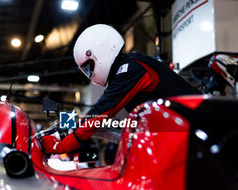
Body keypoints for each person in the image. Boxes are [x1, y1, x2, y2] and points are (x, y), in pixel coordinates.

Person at [42, 24, 200, 154]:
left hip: (198, 128)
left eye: (89, 67)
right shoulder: (128, 67)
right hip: (187, 131)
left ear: (101, 50)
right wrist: (70, 126)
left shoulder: (131, 68)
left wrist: (64, 145)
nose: (90, 74)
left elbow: (103, 110)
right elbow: (100, 114)